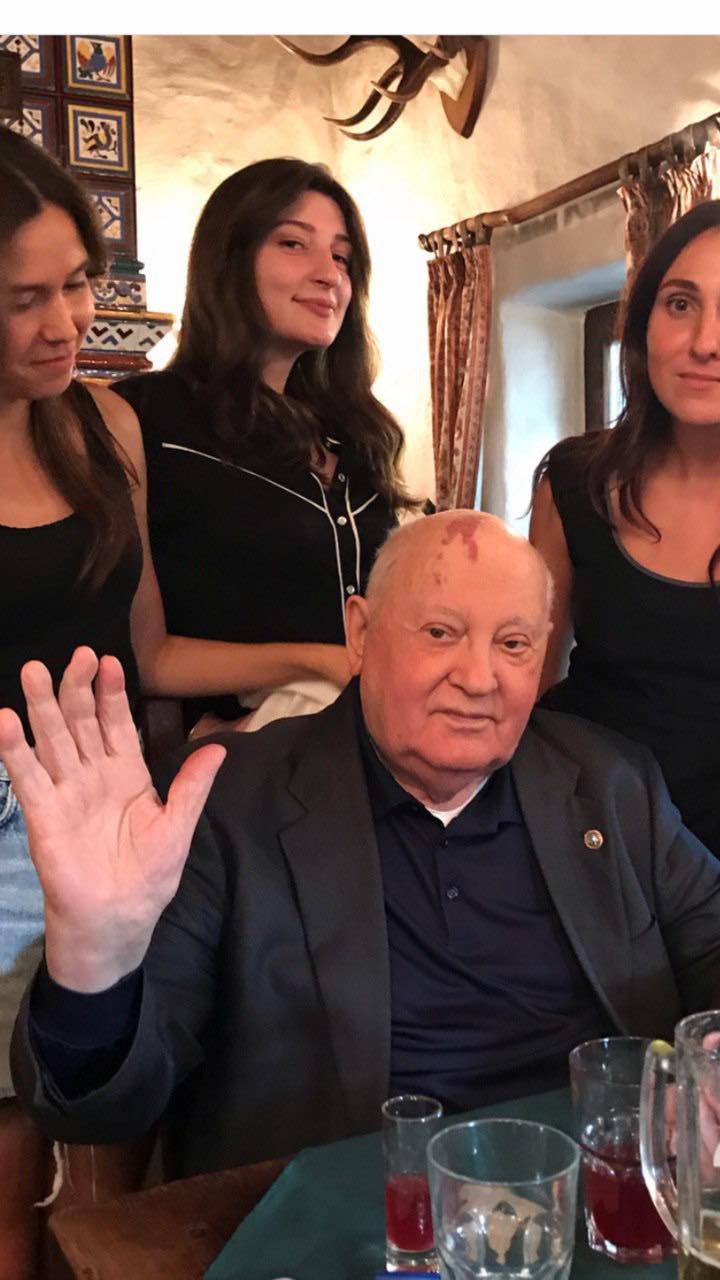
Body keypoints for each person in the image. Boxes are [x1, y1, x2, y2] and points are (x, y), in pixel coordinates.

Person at [6, 511, 720, 1180]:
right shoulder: (229, 803)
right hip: (349, 1210)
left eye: (513, 644)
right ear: (361, 632)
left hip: (604, 1190)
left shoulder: (608, 782)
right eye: (440, 632)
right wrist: (96, 956)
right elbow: (101, 1108)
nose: (479, 679)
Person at [0, 125, 380, 1102]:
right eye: (25, 298)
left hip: (113, 791)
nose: (66, 322)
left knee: (101, 1088)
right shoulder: (166, 417)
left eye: (77, 284)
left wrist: (331, 664)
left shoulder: (103, 425)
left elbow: (142, 647)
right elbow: (162, 650)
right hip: (48, 788)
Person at [110, 158, 413, 736]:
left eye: (342, 257)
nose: (329, 275)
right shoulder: (145, 417)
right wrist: (319, 663)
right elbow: (141, 655)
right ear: (230, 259)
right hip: (235, 750)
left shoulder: (355, 432)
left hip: (367, 737)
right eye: (294, 244)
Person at [530, 200, 720, 857]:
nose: (705, 342)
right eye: (680, 304)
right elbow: (523, 682)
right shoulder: (575, 483)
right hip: (589, 850)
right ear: (642, 325)